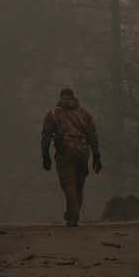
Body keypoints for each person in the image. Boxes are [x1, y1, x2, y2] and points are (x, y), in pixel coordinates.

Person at [40, 86, 101, 227]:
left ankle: (73, 216)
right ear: (74, 98)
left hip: (65, 151)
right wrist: (96, 155)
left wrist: (45, 156)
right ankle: (73, 214)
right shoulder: (85, 114)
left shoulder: (54, 114)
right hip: (83, 151)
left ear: (61, 98)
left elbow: (46, 136)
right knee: (79, 185)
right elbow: (92, 135)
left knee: (69, 184)